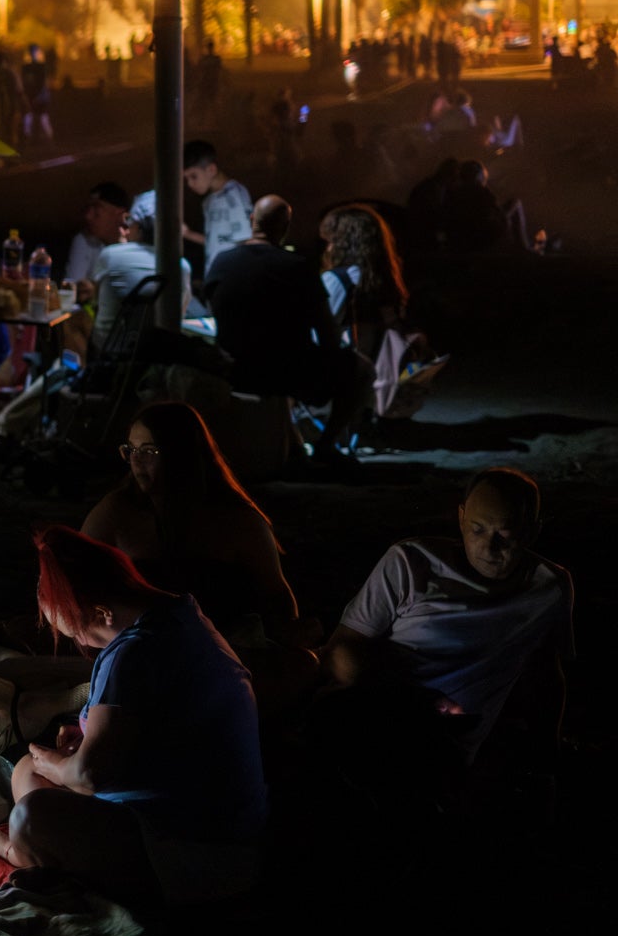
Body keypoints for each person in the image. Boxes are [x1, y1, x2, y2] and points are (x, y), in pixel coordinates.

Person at [0, 527, 265, 903]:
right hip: (201, 831)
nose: (78, 642)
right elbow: (151, 726)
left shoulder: (134, 652)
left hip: (192, 853)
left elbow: (90, 776)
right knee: (27, 771)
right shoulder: (183, 616)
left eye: (76, 630)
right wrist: (88, 733)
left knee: (32, 814)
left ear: (103, 612)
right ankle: (40, 856)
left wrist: (57, 764)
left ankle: (19, 854)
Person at [322, 469, 573, 777]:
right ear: (461, 518)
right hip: (377, 714)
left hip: (448, 746)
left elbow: (546, 673)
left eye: (505, 534)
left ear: (532, 532)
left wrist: (548, 752)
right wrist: (411, 701)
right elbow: (341, 650)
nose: (488, 547)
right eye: (477, 529)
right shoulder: (410, 563)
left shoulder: (549, 589)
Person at [82, 405, 318, 715]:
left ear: (182, 454)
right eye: (131, 449)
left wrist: (289, 632)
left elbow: (275, 593)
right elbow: (76, 571)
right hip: (140, 649)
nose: (137, 459)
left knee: (304, 666)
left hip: (224, 648)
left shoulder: (235, 519)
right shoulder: (118, 511)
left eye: (150, 450)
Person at [203, 195, 370, 461]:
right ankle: (325, 447)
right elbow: (328, 335)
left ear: (251, 221)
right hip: (288, 371)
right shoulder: (298, 267)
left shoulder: (222, 262)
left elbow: (215, 312)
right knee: (360, 369)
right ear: (285, 227)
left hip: (234, 369)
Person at [85, 198, 189, 350]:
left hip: (109, 353)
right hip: (159, 357)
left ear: (139, 227)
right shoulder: (182, 266)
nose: (126, 227)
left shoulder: (110, 255)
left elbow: (95, 304)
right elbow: (179, 313)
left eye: (129, 222)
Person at [318, 204, 408, 365]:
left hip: (350, 371)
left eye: (331, 241)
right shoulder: (383, 278)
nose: (328, 248)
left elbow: (321, 328)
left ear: (344, 243)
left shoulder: (339, 279)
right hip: (382, 369)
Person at [180, 139, 253, 288]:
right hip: (215, 278)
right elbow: (216, 241)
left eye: (194, 176)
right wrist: (187, 234)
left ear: (211, 170)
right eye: (186, 179)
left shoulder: (234, 194)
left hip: (232, 280)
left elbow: (244, 241)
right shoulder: (209, 201)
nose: (190, 184)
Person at [64, 180, 130, 288]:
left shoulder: (133, 247)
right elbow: (73, 290)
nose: (88, 216)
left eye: (97, 208)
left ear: (119, 214)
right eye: (88, 208)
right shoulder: (84, 241)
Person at [19, 45, 53, 144]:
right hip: (34, 97)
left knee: (41, 117)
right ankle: (30, 138)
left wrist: (37, 96)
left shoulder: (39, 67)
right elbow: (25, 83)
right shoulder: (28, 68)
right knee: (30, 117)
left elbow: (42, 83)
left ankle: (48, 139)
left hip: (39, 97)